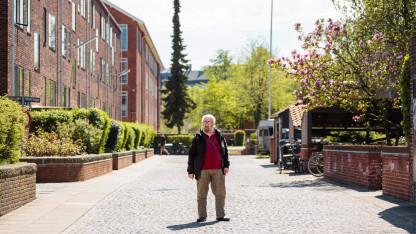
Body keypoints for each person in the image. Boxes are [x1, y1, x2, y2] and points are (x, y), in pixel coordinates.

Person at [187, 114, 230, 222]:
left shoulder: (219, 135)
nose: (207, 124)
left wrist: (226, 165)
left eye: (209, 122)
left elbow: (225, 151)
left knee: (220, 193)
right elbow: (191, 154)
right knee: (201, 194)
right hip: (202, 170)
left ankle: (220, 215)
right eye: (205, 122)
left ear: (213, 124)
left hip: (218, 169)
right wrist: (191, 171)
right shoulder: (198, 137)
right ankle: (202, 215)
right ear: (203, 123)